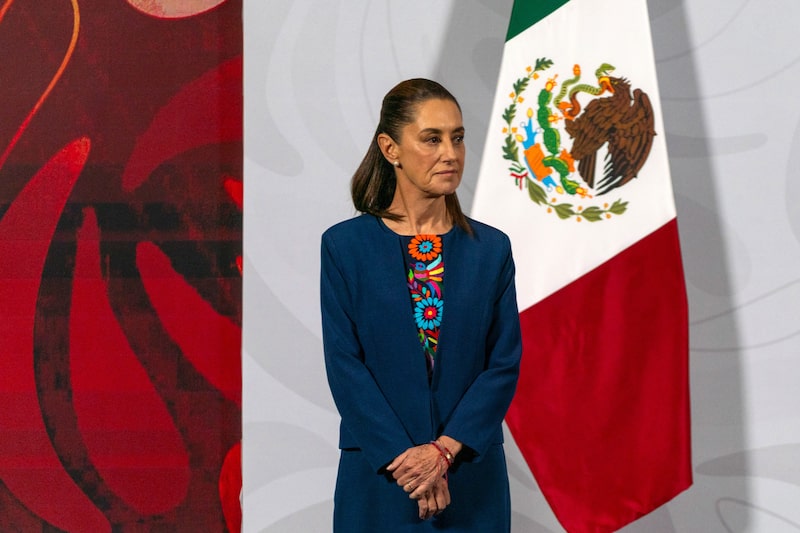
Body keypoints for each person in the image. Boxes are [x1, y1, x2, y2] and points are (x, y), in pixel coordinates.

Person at [320, 78, 522, 532]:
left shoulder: (491, 249)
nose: (450, 153)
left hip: (471, 476)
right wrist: (407, 460)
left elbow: (503, 363)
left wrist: (444, 451)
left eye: (458, 137)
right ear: (390, 148)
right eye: (432, 139)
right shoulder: (343, 247)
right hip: (382, 476)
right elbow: (344, 364)